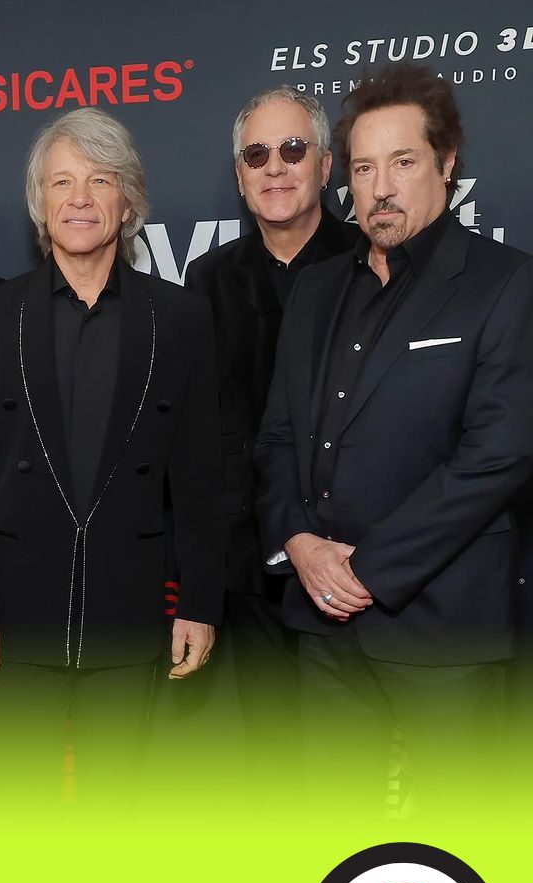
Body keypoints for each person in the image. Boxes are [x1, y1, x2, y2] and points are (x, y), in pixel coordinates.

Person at [255, 64, 533, 811]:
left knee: (459, 845)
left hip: (443, 628)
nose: (380, 188)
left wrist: (367, 569)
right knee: (336, 841)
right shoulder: (315, 289)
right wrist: (299, 543)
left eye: (403, 163)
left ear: (446, 163)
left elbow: (498, 455)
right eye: (364, 168)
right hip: (322, 624)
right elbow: (277, 437)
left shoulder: (504, 283)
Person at [0, 107, 224, 805]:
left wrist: (201, 601)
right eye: (62, 182)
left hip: (128, 614)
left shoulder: (180, 318)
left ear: (128, 200)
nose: (80, 198)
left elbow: (198, 477)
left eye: (101, 180)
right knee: (24, 813)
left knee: (113, 814)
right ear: (40, 203)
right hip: (16, 617)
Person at [184, 87, 358, 764]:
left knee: (354, 766)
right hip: (249, 571)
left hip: (355, 564)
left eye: (292, 150)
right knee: (273, 764)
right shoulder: (207, 280)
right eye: (256, 155)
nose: (275, 167)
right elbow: (195, 433)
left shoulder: (371, 263)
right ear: (239, 176)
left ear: (326, 165)